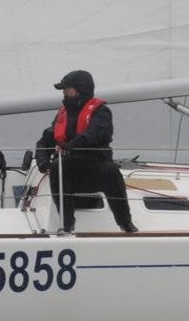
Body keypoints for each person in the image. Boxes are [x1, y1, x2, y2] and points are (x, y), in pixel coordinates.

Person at [34, 70, 137, 233]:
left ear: (81, 89)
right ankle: (67, 225)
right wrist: (42, 160)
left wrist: (72, 144)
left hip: (96, 166)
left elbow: (95, 134)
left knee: (111, 172)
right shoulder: (63, 114)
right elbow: (45, 140)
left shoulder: (101, 111)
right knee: (57, 169)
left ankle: (125, 223)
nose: (64, 92)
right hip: (71, 169)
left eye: (67, 88)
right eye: (63, 89)